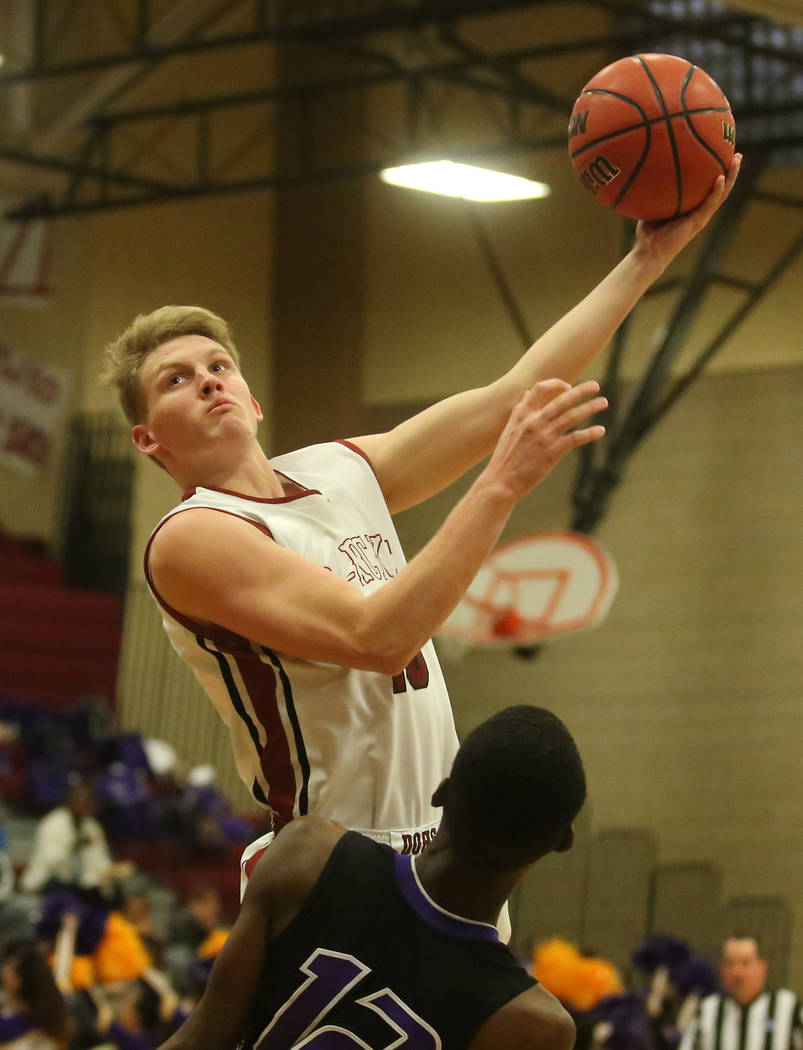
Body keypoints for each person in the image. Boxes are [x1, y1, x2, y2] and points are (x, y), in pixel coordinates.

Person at [101, 157, 740, 880]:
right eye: (175, 380)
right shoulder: (192, 537)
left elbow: (513, 396)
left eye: (218, 365)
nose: (207, 379)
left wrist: (646, 258)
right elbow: (376, 637)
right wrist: (500, 484)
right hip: (333, 863)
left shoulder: (336, 469)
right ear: (148, 439)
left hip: (442, 852)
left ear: (251, 400)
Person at [157, 704, 587, 1050]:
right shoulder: (532, 1026)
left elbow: (200, 1038)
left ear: (441, 791)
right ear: (560, 842)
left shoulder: (307, 854)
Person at [679, 934, 803, 1050]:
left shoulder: (788, 1006)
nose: (737, 972)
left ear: (763, 967)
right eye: (730, 964)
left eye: (746, 963)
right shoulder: (708, 1008)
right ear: (721, 968)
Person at [20, 782, 129, 905]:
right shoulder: (53, 824)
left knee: (114, 896)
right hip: (49, 881)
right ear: (70, 803)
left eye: (89, 802)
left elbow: (100, 859)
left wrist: (111, 870)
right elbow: (51, 862)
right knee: (70, 899)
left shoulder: (92, 827)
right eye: (82, 802)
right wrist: (74, 847)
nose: (87, 806)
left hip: (81, 883)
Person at [0, 939, 70, 1050]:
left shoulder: (37, 1017)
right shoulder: (8, 1003)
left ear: (20, 980)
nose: (3, 971)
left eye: (9, 967)